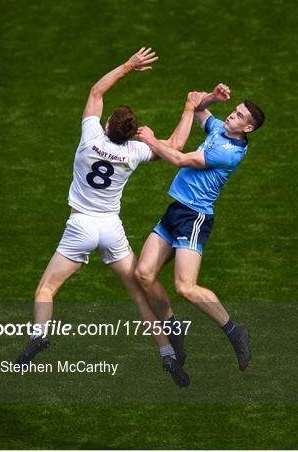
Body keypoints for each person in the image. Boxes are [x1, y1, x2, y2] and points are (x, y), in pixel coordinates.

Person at [15, 47, 199, 387]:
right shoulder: (134, 152)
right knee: (137, 295)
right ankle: (167, 355)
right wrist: (186, 110)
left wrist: (129, 65)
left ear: (108, 124)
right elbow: (174, 143)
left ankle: (40, 335)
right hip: (111, 230)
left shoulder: (90, 137)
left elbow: (97, 91)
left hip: (80, 226)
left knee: (47, 289)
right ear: (129, 133)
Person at [135, 85, 265, 371]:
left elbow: (179, 159)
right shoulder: (220, 129)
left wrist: (152, 139)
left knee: (185, 286)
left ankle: (235, 332)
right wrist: (213, 98)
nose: (231, 115)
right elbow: (197, 106)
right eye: (233, 111)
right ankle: (173, 326)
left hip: (194, 217)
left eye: (238, 115)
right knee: (144, 274)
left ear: (249, 128)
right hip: (176, 210)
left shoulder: (229, 152)